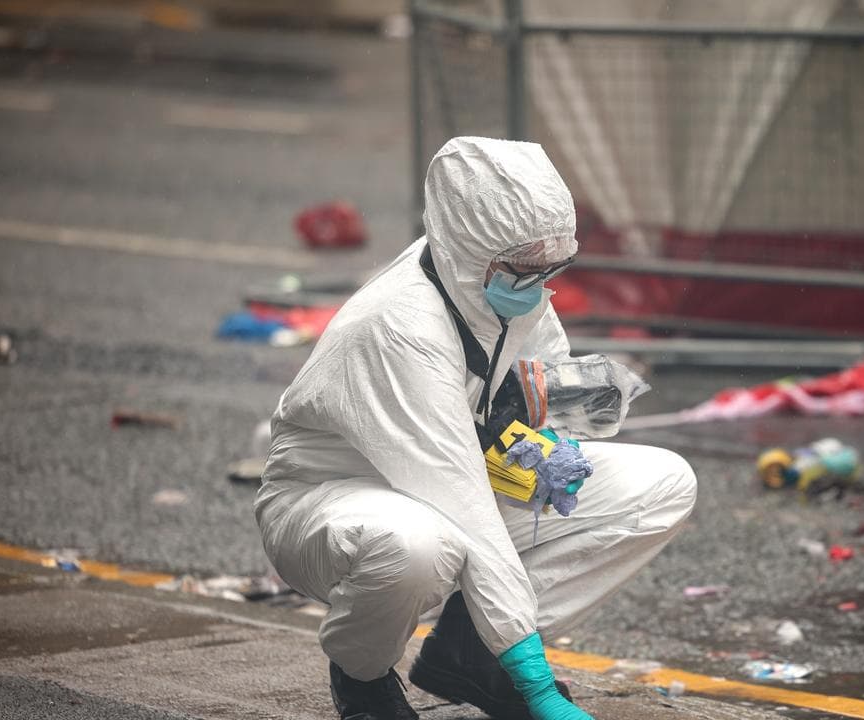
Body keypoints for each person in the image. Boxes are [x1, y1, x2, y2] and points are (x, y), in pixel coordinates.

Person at [254, 136, 698, 720]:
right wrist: (536, 684)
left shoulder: (499, 276)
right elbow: (463, 505)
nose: (540, 285)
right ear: (470, 247)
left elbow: (541, 377)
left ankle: (470, 657)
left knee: (663, 483)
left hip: (449, 475)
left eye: (553, 268)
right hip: (335, 499)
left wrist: (546, 432)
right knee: (415, 547)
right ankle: (362, 680)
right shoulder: (401, 327)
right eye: (526, 270)